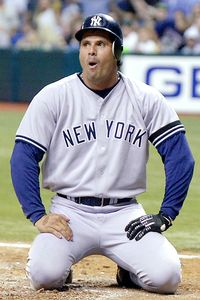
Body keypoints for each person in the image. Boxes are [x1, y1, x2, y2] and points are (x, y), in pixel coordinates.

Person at [10, 13, 194, 294]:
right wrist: (38, 215)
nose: (91, 51)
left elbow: (180, 156)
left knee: (166, 277)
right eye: (85, 44)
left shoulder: (146, 98)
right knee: (44, 276)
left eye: (100, 43)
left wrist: (166, 214)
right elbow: (23, 156)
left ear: (117, 52)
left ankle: (128, 273)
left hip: (125, 213)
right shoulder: (54, 96)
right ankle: (63, 266)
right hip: (70, 212)